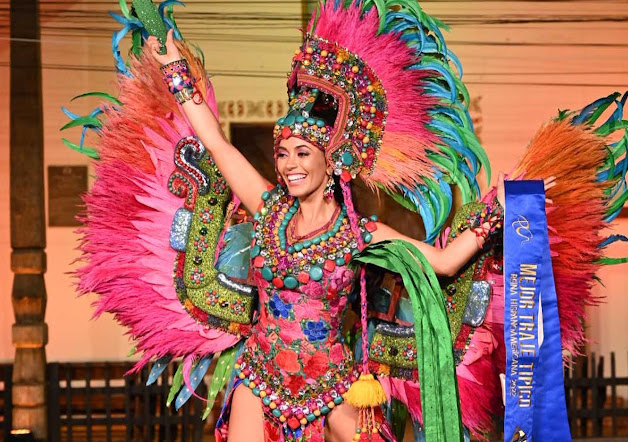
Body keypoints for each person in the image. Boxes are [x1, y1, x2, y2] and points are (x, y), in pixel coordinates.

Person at [147, 20, 516, 440]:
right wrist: (176, 70)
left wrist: (499, 209)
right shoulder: (268, 209)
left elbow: (444, 263)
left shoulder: (359, 234)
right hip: (261, 378)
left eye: (303, 153)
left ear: (330, 161)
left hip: (332, 385)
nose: (290, 164)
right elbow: (216, 142)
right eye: (283, 153)